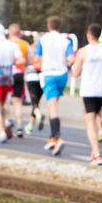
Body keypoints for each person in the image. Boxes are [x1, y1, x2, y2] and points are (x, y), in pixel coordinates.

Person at [70, 23, 102, 166]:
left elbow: (75, 73)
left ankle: (97, 154)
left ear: (89, 34)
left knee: (89, 123)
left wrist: (78, 68)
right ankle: (95, 150)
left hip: (88, 91)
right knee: (95, 118)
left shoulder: (83, 51)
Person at [32, 15, 74, 155]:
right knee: (53, 105)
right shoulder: (66, 40)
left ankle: (58, 137)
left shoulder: (42, 39)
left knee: (52, 108)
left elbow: (36, 58)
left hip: (49, 74)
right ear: (60, 26)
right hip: (62, 75)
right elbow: (71, 59)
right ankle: (51, 137)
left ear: (48, 26)